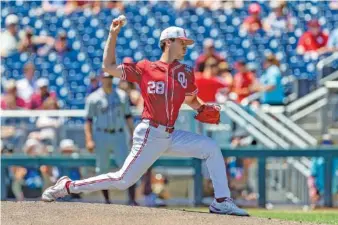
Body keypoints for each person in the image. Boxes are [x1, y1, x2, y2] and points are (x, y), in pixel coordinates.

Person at [42, 17, 249, 216]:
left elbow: (192, 100)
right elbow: (108, 67)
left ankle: (222, 201)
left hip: (170, 134)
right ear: (168, 42)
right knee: (122, 180)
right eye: (182, 42)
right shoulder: (145, 68)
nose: (186, 46)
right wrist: (112, 35)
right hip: (150, 133)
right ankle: (68, 186)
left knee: (211, 148)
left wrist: (203, 108)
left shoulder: (185, 71)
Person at [83, 72, 138, 205]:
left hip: (119, 134)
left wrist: (133, 134)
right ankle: (107, 201)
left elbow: (128, 117)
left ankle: (132, 200)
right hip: (101, 134)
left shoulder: (121, 95)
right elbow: (88, 121)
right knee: (102, 169)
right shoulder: (93, 97)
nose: (108, 80)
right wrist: (89, 139)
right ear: (101, 79)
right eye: (106, 78)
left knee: (128, 167)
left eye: (110, 78)